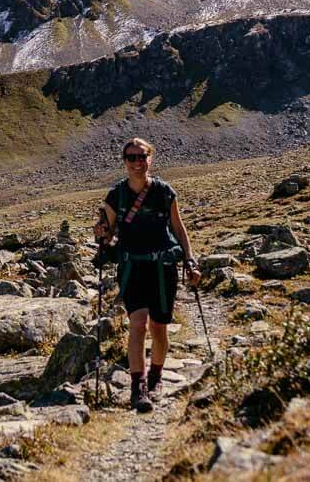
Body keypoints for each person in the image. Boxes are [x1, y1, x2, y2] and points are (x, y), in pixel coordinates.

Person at [93, 138, 201, 413]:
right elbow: (106, 229)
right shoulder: (115, 195)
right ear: (124, 161)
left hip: (162, 267)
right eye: (132, 157)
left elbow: (178, 228)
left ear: (150, 158)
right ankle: (137, 388)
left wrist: (190, 259)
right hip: (132, 267)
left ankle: (156, 377)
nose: (137, 162)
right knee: (138, 323)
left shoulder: (164, 192)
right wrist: (102, 233)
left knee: (159, 327)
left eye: (142, 156)